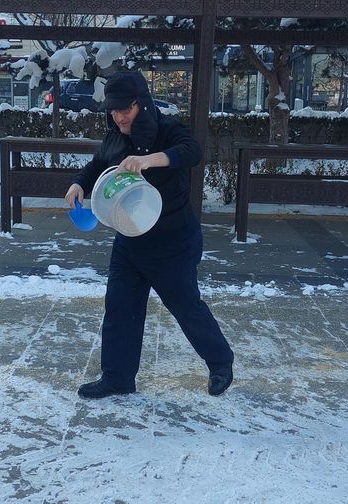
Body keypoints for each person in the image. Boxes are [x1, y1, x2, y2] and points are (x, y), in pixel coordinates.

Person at [64, 71, 234, 399]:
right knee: (120, 307)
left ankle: (220, 363)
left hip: (173, 241)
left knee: (186, 307)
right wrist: (78, 184)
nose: (119, 116)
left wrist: (147, 160)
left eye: (125, 109)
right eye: (113, 110)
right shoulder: (114, 136)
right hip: (129, 239)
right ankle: (117, 378)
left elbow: (192, 151)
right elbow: (97, 165)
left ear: (141, 104)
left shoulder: (168, 129)